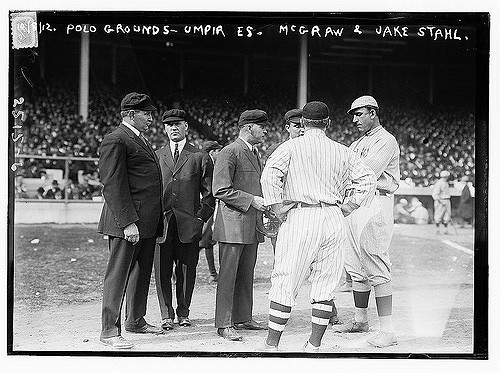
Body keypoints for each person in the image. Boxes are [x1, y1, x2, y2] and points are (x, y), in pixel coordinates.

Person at [260, 101, 376, 352]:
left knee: (285, 280)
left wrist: (276, 206)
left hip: (301, 215)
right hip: (333, 217)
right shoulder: (341, 149)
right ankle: (314, 345)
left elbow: (269, 174)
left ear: (302, 123)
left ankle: (272, 345)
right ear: (327, 124)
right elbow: (368, 178)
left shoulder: (290, 146)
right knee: (325, 283)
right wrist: (350, 205)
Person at [97, 92, 164, 349]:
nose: (150, 118)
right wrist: (127, 222)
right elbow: (112, 184)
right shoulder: (116, 139)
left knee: (140, 272)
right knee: (118, 275)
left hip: (145, 222)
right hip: (127, 223)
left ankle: (135, 320)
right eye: (146, 113)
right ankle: (108, 331)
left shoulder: (139, 139)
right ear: (130, 114)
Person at [334, 95, 400, 349]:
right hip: (354, 203)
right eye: (353, 115)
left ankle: (388, 331)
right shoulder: (357, 142)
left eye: (359, 114)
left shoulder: (386, 139)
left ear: (373, 112)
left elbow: (365, 172)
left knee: (375, 260)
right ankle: (361, 320)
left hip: (375, 202)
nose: (354, 119)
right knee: (354, 264)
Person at [153, 109, 215, 330]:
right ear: (164, 129)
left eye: (178, 124)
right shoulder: (157, 155)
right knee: (162, 271)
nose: (174, 128)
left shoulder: (199, 156)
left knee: (187, 270)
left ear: (186, 127)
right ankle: (165, 315)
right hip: (162, 225)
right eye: (169, 125)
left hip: (189, 224)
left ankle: (184, 312)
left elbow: (209, 194)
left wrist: (200, 219)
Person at [212, 109, 270, 341]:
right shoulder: (230, 151)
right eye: (261, 126)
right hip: (232, 225)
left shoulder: (253, 152)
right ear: (248, 128)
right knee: (228, 276)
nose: (265, 130)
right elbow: (220, 189)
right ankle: (224, 324)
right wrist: (252, 200)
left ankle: (243, 317)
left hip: (249, 225)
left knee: (246, 274)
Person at [199, 140, 223, 282]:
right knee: (205, 240)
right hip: (205, 207)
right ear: (212, 152)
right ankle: (213, 274)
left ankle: (213, 274)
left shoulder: (213, 164)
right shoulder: (205, 164)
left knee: (206, 241)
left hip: (211, 207)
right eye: (218, 151)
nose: (220, 154)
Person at [432, 170, 452, 234]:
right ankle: (437, 230)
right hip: (440, 201)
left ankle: (445, 230)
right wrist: (441, 201)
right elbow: (435, 194)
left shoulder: (446, 183)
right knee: (438, 215)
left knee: (447, 215)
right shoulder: (439, 183)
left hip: (447, 200)